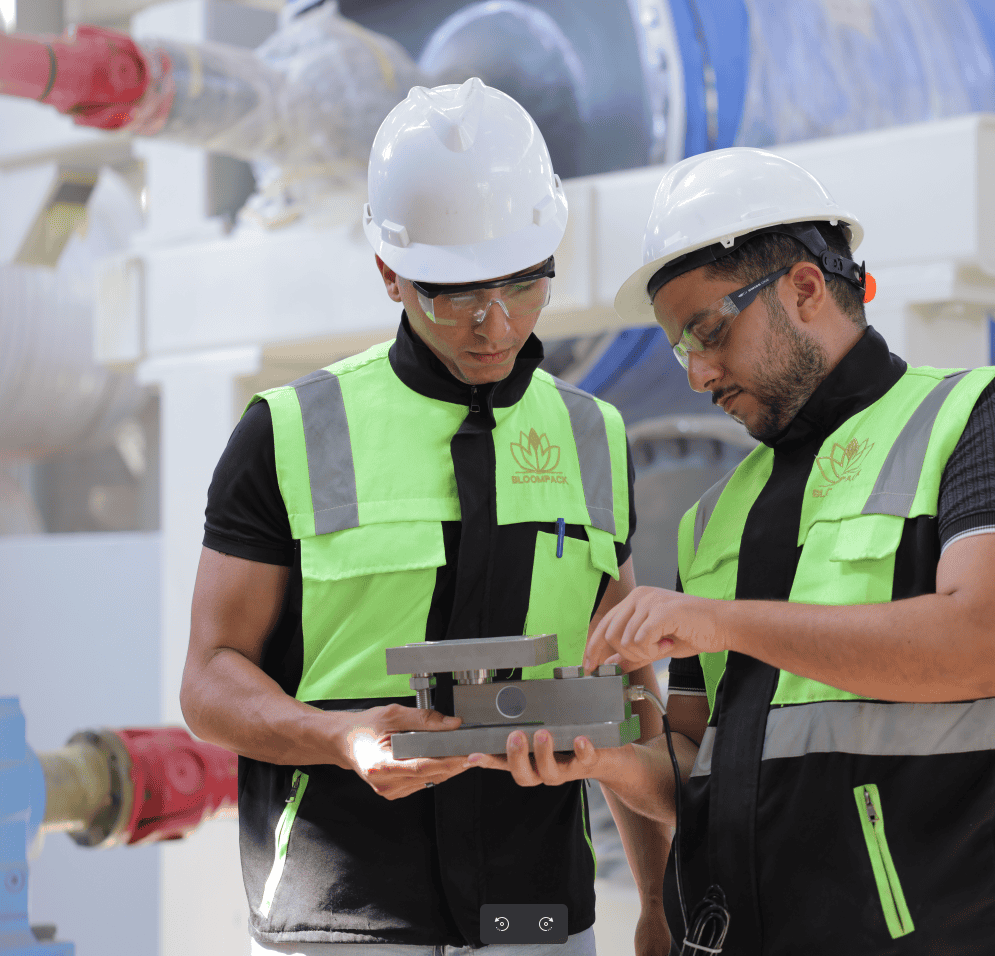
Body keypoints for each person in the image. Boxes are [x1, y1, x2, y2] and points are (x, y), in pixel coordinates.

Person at [471, 147, 995, 955]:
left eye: (708, 331)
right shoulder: (715, 516)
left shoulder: (989, 420)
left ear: (803, 288)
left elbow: (985, 646)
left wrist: (720, 620)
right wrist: (599, 759)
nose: (697, 374)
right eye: (679, 348)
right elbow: (695, 766)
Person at [179, 79, 672, 956]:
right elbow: (210, 679)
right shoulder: (288, 433)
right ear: (390, 274)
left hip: (535, 913)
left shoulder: (593, 437)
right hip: (344, 915)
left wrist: (658, 897)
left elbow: (627, 688)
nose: (494, 325)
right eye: (454, 295)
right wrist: (338, 738)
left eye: (523, 286)